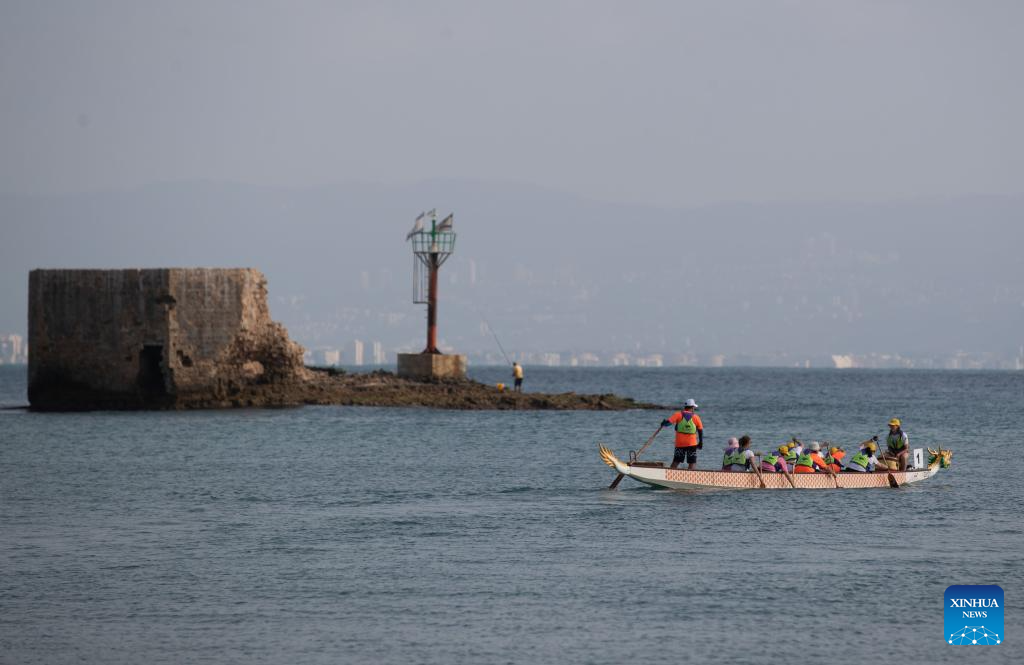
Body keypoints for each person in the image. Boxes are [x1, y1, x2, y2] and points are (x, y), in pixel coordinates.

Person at [661, 398, 703, 470]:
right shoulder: (696, 417)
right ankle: (690, 475)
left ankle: (671, 473)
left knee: (676, 461)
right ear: (692, 407)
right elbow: (700, 430)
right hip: (692, 444)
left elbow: (667, 423)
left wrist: (663, 423)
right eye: (694, 407)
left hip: (680, 443)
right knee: (692, 462)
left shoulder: (678, 414)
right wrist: (700, 443)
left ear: (685, 407)